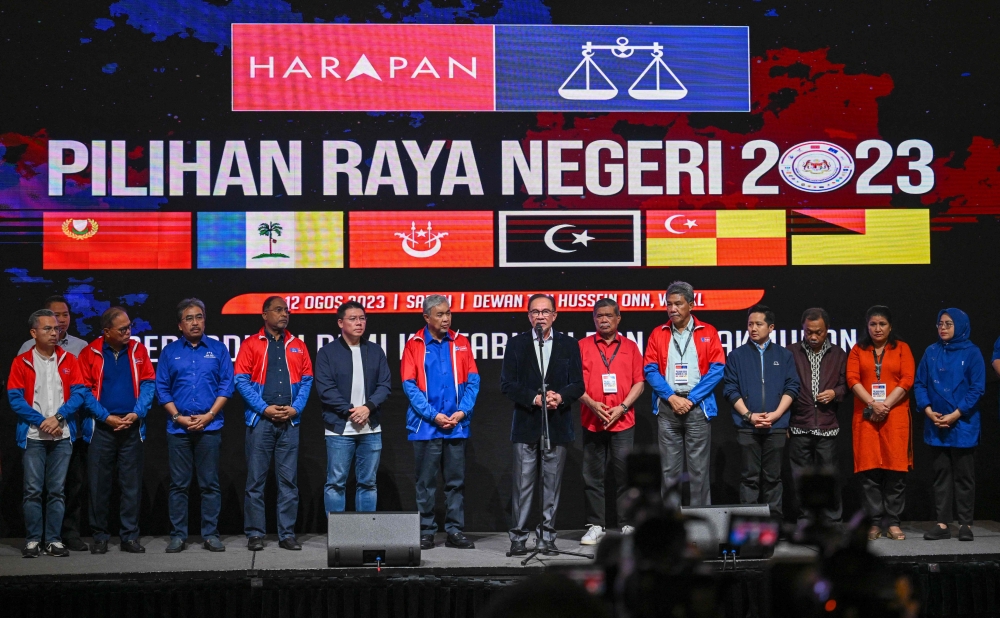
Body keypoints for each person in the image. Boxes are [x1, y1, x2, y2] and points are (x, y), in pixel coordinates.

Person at [7, 310, 100, 557]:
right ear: (33, 333)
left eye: (56, 328)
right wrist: (42, 422)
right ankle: (33, 540)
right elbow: (15, 399)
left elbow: (79, 395)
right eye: (47, 328)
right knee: (33, 491)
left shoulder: (70, 360)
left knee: (57, 491)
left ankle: (53, 540)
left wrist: (58, 418)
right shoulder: (22, 361)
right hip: (33, 436)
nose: (54, 332)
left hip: (62, 435)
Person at [500, 294, 585, 556]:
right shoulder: (516, 344)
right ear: (529, 316)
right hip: (526, 423)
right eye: (535, 312)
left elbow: (578, 384)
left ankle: (547, 537)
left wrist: (560, 397)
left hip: (557, 424)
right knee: (523, 485)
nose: (540, 316)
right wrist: (534, 398)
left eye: (545, 312)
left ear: (554, 315)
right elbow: (507, 384)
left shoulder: (569, 344)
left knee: (551, 485)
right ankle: (518, 537)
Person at [400, 295, 479, 550]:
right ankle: (426, 531)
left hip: (456, 425)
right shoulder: (414, 344)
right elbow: (409, 386)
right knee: (425, 483)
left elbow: (473, 382)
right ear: (427, 317)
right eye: (440, 314)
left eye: (448, 313)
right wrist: (432, 415)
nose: (446, 319)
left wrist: (462, 412)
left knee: (455, 482)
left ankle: (455, 530)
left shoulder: (461, 342)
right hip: (426, 426)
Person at [155, 299, 234, 553]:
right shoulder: (169, 352)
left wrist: (209, 415)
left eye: (199, 317)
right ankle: (178, 535)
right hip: (178, 429)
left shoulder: (219, 349)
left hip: (210, 427)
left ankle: (210, 534)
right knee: (179, 485)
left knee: (209, 484)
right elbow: (162, 389)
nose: (195, 322)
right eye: (189, 318)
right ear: (180, 325)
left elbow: (227, 386)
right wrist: (178, 417)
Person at [235, 296, 313, 551]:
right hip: (261, 421)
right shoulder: (250, 344)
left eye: (286, 310)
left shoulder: (298, 345)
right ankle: (255, 533)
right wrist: (264, 408)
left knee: (288, 482)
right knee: (255, 482)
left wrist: (296, 408)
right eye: (278, 310)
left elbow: (307, 380)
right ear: (265, 315)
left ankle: (286, 534)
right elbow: (241, 381)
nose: (284, 314)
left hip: (290, 422)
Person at [78, 306, 156, 554]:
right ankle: (100, 537)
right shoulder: (90, 352)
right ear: (106, 331)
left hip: (131, 427)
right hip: (101, 428)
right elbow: (83, 391)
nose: (128, 332)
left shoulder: (138, 350)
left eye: (130, 327)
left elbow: (149, 383)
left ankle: (129, 536)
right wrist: (106, 416)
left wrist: (137, 412)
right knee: (99, 486)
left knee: (131, 485)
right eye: (122, 329)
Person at [643, 281, 725, 507]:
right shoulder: (658, 333)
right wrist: (671, 397)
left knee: (699, 471)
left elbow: (717, 369)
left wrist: (691, 399)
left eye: (678, 304)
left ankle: (701, 522)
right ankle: (672, 522)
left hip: (697, 407)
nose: (672, 309)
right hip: (668, 407)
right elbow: (650, 369)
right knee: (669, 471)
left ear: (691, 305)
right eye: (669, 304)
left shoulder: (708, 332)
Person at [314, 301, 391, 518]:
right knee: (336, 483)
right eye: (353, 319)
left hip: (370, 427)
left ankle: (364, 532)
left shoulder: (375, 351)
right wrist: (352, 411)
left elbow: (385, 385)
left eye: (362, 318)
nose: (359, 323)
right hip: (339, 429)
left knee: (368, 483)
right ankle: (338, 533)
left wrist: (367, 408)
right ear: (340, 323)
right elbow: (325, 389)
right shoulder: (327, 352)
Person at [723, 304, 800, 520]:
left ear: (771, 327)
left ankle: (773, 525)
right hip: (747, 426)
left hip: (776, 426)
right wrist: (749, 415)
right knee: (749, 478)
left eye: (759, 324)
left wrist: (776, 415)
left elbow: (792, 387)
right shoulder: (737, 355)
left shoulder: (784, 355)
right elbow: (730, 389)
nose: (753, 328)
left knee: (773, 478)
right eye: (750, 324)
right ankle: (748, 525)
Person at [578, 298, 644, 545]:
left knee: (625, 474)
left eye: (608, 315)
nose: (603, 320)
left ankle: (627, 523)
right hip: (592, 419)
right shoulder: (582, 346)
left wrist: (623, 407)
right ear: (594, 319)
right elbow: (574, 383)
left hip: (623, 420)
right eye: (599, 316)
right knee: (592, 476)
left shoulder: (630, 347)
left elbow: (639, 382)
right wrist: (592, 404)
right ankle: (596, 525)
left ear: (618, 318)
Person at [914, 308, 985, 542]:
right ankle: (943, 523)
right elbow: (920, 384)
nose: (942, 328)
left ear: (960, 326)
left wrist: (955, 414)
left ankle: (965, 524)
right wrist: (928, 411)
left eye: (948, 324)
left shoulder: (972, 352)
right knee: (941, 475)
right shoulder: (931, 351)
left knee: (964, 476)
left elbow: (977, 388)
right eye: (940, 324)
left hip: (963, 424)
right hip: (936, 424)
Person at [847, 305, 914, 541]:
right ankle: (874, 522)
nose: (877, 329)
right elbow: (852, 379)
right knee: (869, 472)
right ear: (867, 326)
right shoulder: (858, 349)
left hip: (894, 415)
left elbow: (907, 379)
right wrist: (872, 404)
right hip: (866, 416)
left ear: (890, 326)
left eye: (882, 324)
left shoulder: (902, 348)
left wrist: (884, 404)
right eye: (873, 324)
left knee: (896, 471)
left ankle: (893, 522)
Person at [786, 308, 848, 525]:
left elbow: (846, 385)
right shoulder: (791, 352)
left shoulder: (838, 354)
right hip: (799, 424)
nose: (813, 336)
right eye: (808, 332)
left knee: (829, 478)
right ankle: (805, 520)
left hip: (827, 425)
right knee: (800, 479)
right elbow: (784, 387)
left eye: (818, 332)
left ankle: (832, 521)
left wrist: (835, 393)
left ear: (827, 329)